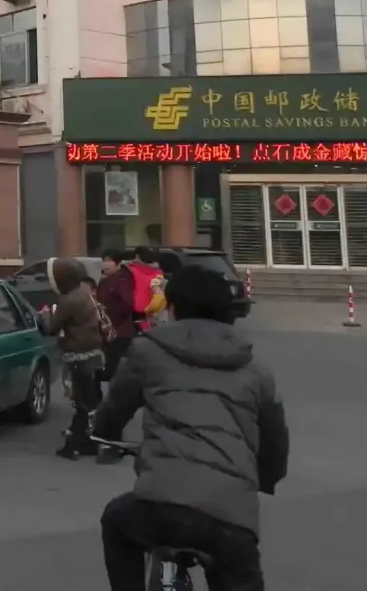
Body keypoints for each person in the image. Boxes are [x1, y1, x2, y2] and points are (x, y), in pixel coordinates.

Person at [94, 265, 289, 591]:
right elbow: (275, 442)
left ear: (172, 307)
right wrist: (264, 477)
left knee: (116, 522)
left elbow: (115, 407)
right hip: (231, 517)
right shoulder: (256, 370)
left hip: (161, 507)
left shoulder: (147, 351)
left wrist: (105, 433)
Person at [36, 257, 105, 460]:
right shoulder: (84, 293)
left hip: (77, 356)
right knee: (89, 401)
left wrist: (44, 315)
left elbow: (51, 328)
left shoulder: (69, 300)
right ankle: (89, 443)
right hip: (93, 352)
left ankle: (73, 445)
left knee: (81, 402)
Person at [95, 249, 137, 382]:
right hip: (107, 332)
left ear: (118, 263)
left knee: (115, 373)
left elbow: (128, 304)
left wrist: (108, 312)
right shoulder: (105, 280)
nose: (105, 264)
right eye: (104, 261)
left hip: (119, 332)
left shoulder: (122, 279)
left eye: (109, 261)